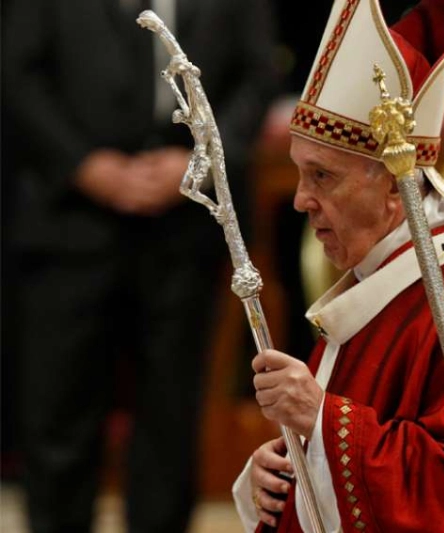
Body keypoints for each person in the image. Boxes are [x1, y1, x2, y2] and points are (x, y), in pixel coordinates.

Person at [231, 0, 444, 531]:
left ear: (390, 185)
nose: (300, 200)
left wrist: (320, 418)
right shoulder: (384, 274)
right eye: (299, 174)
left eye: (322, 177)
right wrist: (283, 471)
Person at [1, 0, 281, 531]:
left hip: (185, 220)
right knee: (58, 414)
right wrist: (84, 165)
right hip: (69, 219)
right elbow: (17, 72)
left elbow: (259, 74)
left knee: (171, 413)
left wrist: (200, 157)